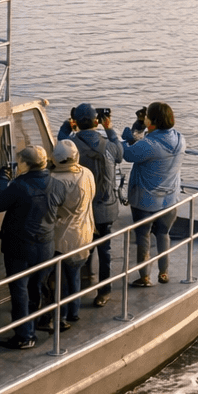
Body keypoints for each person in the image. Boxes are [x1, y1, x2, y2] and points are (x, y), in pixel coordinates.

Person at [0, 144, 66, 350]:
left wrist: (2, 178)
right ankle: (39, 322)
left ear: (25, 164)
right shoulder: (57, 185)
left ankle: (24, 335)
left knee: (20, 290)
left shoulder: (19, 186)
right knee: (37, 286)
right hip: (46, 246)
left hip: (20, 247)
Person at [64, 103, 123, 307]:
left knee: (82, 249)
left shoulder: (71, 146)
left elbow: (60, 142)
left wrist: (66, 125)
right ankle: (104, 291)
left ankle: (83, 286)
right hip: (107, 209)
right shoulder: (108, 145)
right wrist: (109, 128)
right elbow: (121, 153)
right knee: (104, 251)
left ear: (77, 123)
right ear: (96, 122)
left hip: (82, 211)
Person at [122, 100, 185, 286]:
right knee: (164, 235)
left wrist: (116, 134)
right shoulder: (180, 138)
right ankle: (164, 273)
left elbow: (128, 153)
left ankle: (145, 277)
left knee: (143, 238)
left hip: (146, 201)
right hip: (170, 200)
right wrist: (141, 125)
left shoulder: (149, 145)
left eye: (147, 115)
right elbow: (143, 144)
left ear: (153, 121)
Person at [41, 139, 95, 332]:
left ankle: (61, 316)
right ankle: (74, 311)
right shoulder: (86, 174)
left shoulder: (52, 180)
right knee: (75, 277)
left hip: (59, 239)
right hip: (84, 234)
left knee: (59, 280)